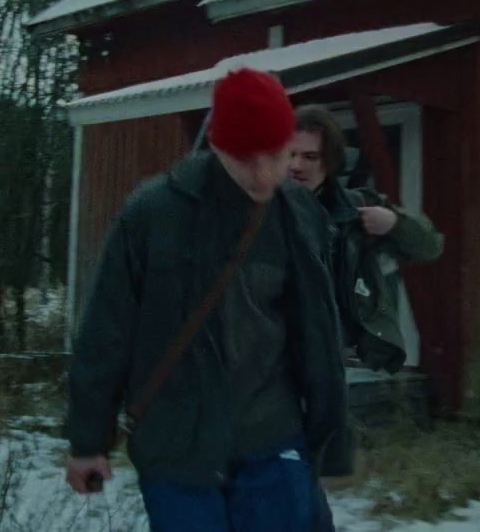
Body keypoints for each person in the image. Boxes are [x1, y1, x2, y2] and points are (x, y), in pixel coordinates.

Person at [64, 68, 352, 532]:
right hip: (177, 450)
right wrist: (87, 440)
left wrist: (330, 443)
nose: (263, 174)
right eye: (246, 159)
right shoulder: (153, 214)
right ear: (216, 148)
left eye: (275, 156)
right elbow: (105, 332)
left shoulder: (299, 216)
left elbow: (318, 336)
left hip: (273, 441)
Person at [288, 105, 444, 374]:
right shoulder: (262, 212)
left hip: (340, 360)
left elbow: (430, 247)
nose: (296, 166)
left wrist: (395, 224)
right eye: (290, 154)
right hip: (277, 361)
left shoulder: (354, 210)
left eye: (310, 156)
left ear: (330, 161)